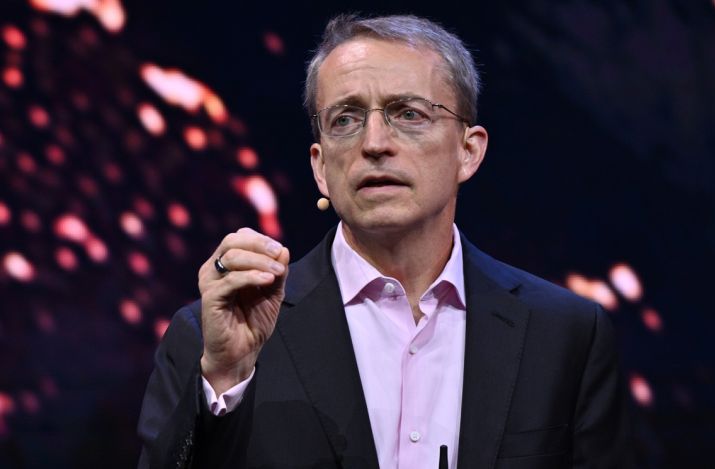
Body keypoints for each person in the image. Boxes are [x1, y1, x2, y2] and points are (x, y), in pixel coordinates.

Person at [137, 14, 633, 469]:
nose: (374, 143)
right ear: (320, 168)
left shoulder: (565, 335)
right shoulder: (213, 338)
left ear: (468, 150)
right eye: (345, 119)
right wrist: (225, 379)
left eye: (409, 113)